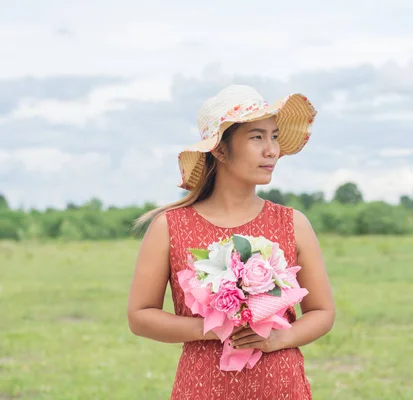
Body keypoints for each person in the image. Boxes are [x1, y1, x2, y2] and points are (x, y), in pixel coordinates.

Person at [127, 85, 335, 399]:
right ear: (220, 150)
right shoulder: (169, 226)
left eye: (274, 136)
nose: (272, 150)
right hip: (203, 387)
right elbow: (140, 316)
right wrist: (210, 327)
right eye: (257, 137)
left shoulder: (293, 223)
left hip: (280, 387)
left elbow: (322, 311)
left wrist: (279, 338)